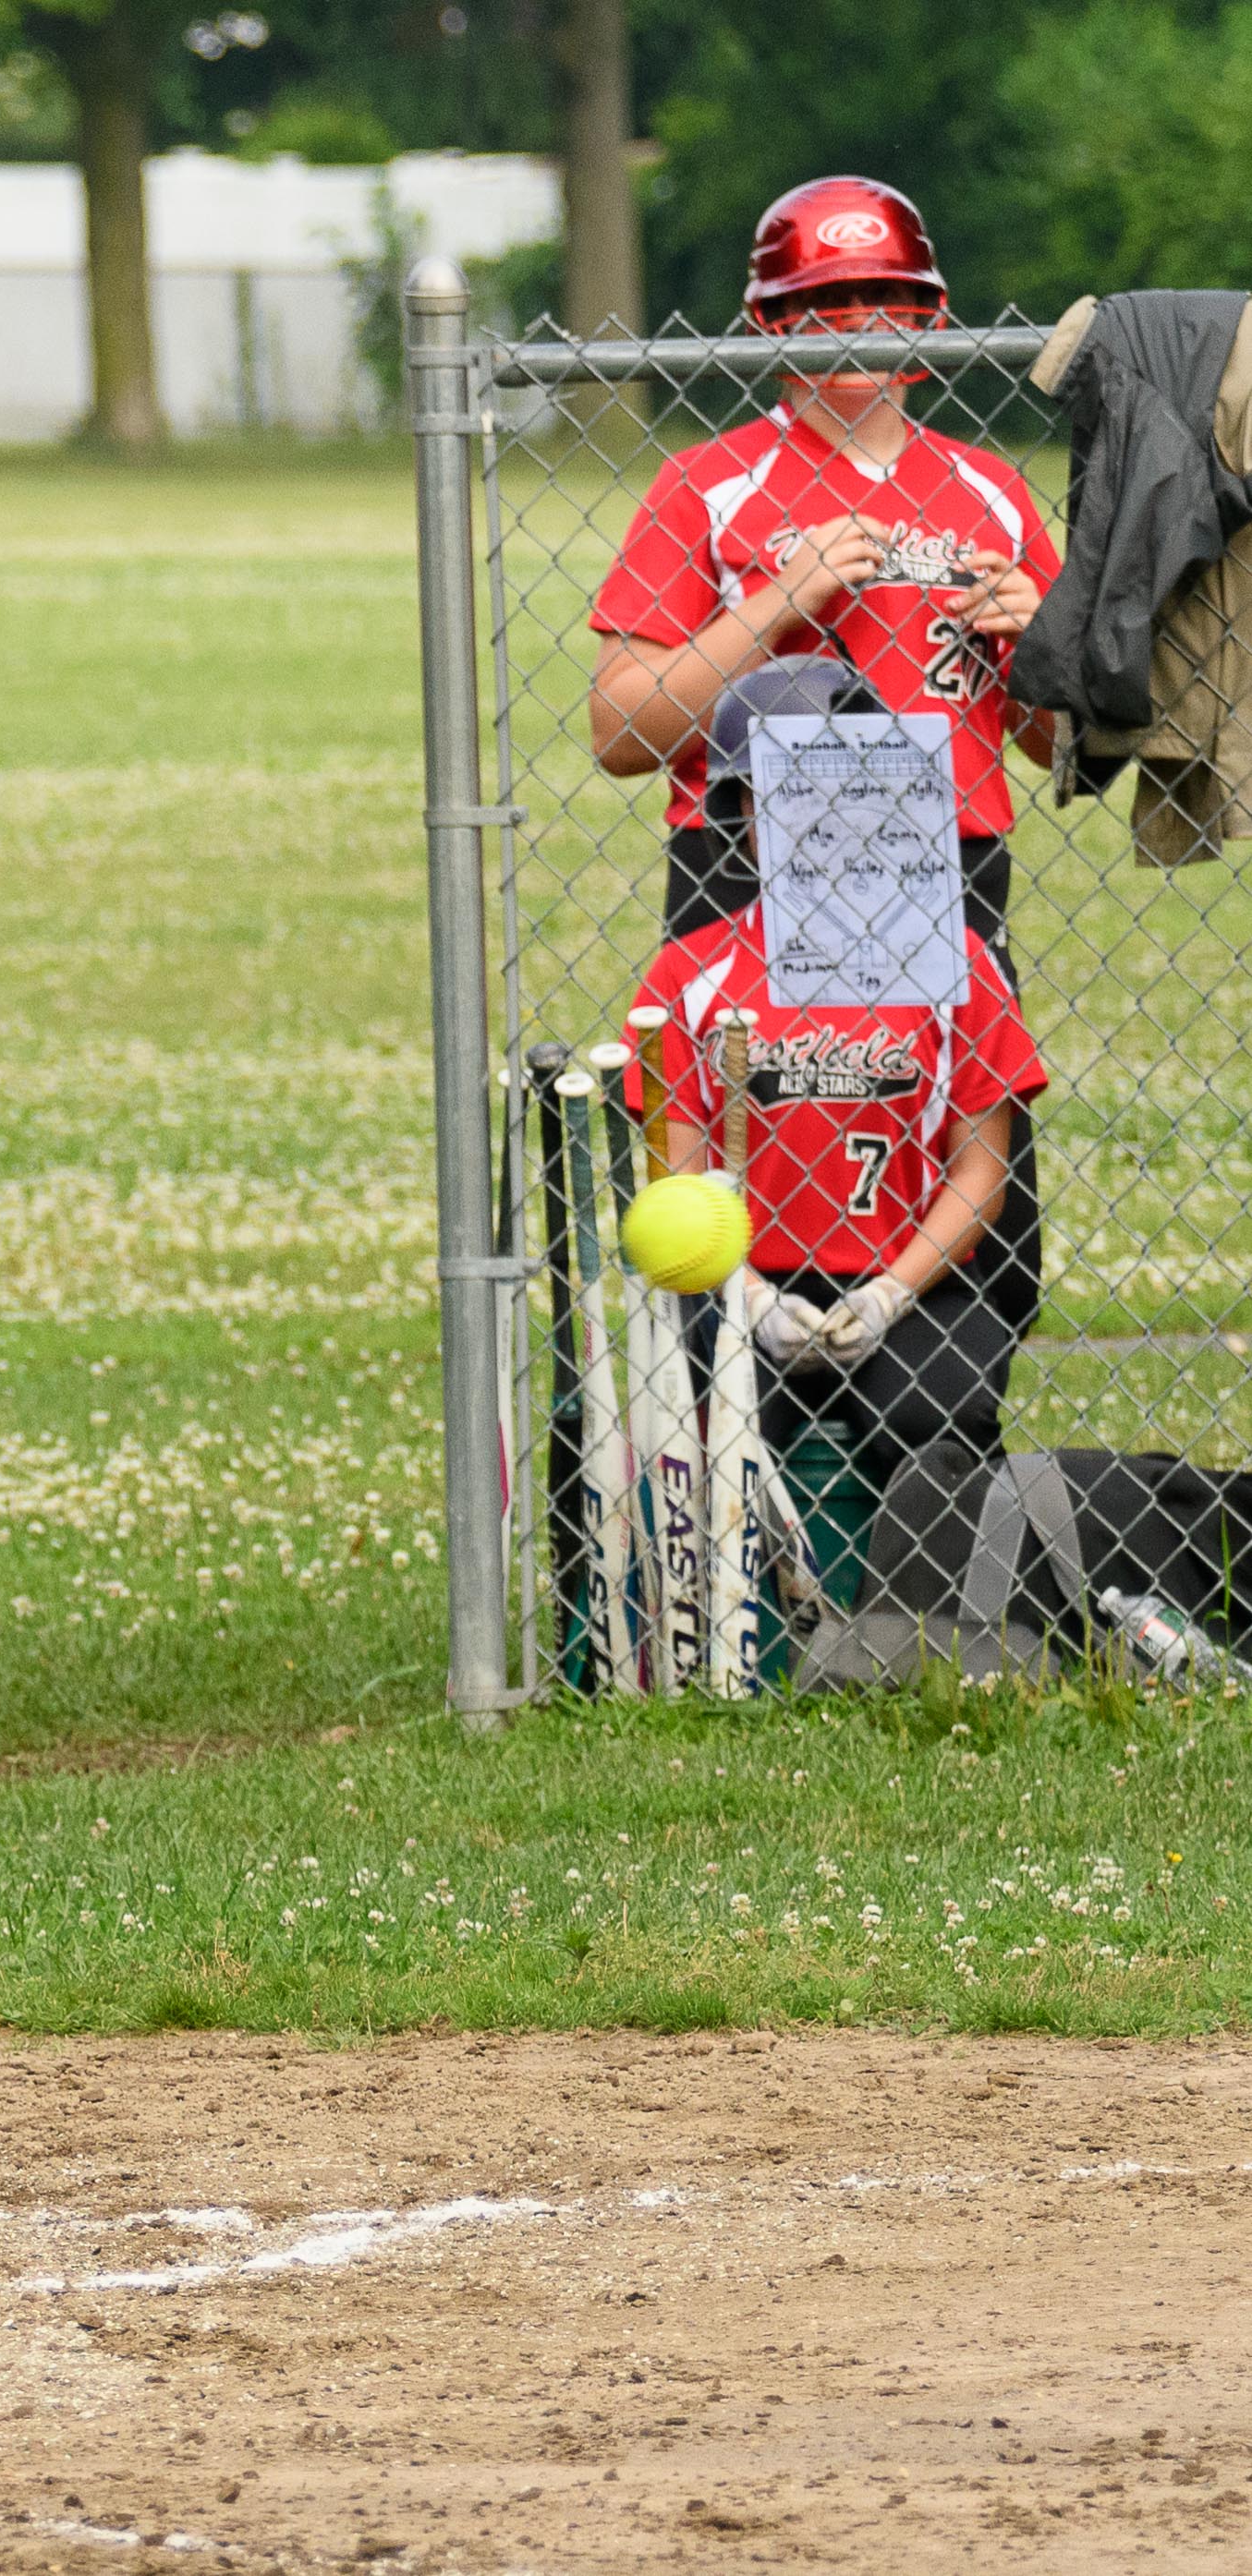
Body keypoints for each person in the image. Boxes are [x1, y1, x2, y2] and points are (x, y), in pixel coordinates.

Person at [588, 173, 1059, 1341]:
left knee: (944, 1152)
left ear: (930, 316)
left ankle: (933, 1450)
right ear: (770, 324)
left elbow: (1057, 747)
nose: (856, 331)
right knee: (742, 1152)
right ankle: (731, 1410)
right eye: (823, 304)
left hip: (944, 856)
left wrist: (1035, 652)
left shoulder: (992, 494)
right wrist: (778, 603)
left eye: (884, 303)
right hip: (745, 859)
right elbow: (622, 730)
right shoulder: (709, 484)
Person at [626, 877, 1049, 1605]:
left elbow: (981, 1176)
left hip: (915, 1285)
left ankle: (929, 1629)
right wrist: (751, 1300)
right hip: (738, 1285)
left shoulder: (957, 962)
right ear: (752, 819)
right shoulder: (689, 971)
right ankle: (723, 1629)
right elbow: (679, 1187)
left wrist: (889, 1295)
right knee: (708, 1413)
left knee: (939, 1409)